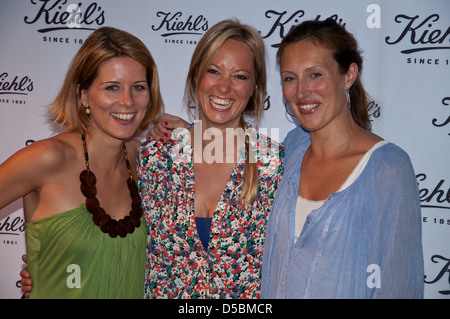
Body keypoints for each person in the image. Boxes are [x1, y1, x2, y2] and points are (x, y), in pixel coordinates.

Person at [260, 18, 424, 298]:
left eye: (315, 74)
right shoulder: (293, 147)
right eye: (290, 78)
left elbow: (399, 286)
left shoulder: (388, 167)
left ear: (348, 75)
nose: (301, 92)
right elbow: (232, 155)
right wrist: (188, 134)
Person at [2, 26, 163, 298]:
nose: (127, 101)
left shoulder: (149, 161)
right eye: (112, 88)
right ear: (84, 94)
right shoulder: (48, 158)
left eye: (138, 87)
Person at [137, 19, 283, 298]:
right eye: (214, 71)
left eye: (240, 76)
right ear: (195, 77)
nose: (224, 87)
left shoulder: (275, 165)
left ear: (254, 87)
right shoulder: (154, 158)